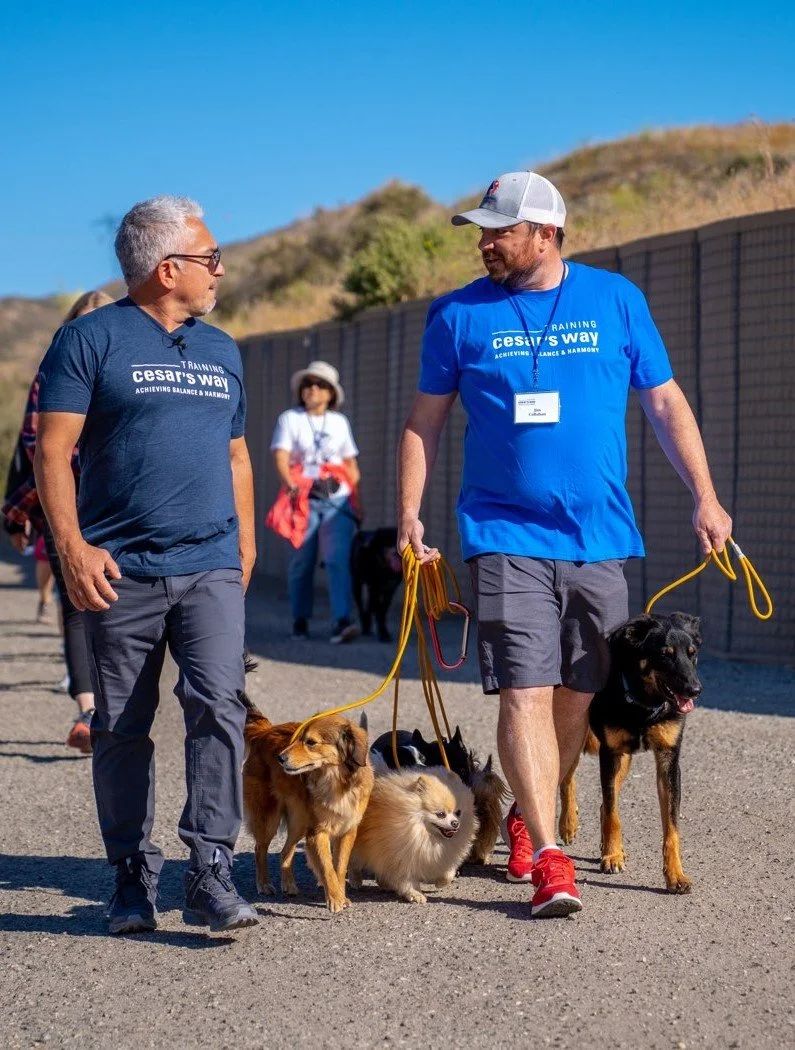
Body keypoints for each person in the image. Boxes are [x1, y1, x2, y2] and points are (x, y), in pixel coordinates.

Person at [397, 171, 732, 919]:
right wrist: (410, 513)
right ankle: (550, 855)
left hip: (598, 538)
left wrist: (704, 496)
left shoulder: (616, 300)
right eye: (480, 231)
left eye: (498, 230)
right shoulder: (456, 316)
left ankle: (524, 807)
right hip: (501, 532)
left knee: (576, 696)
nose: (483, 242)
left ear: (545, 232)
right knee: (523, 687)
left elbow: (664, 401)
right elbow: (423, 422)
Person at [34, 196, 258, 935]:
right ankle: (130, 872)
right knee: (123, 727)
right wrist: (71, 547)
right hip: (119, 569)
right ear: (169, 269)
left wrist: (246, 544)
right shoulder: (89, 340)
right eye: (209, 257)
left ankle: (211, 869)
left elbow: (235, 453)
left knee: (219, 704)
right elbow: (52, 451)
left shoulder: (222, 347)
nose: (219, 270)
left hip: (210, 562)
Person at [2, 290, 112, 752]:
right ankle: (88, 709)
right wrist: (17, 508)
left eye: (97, 320)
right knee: (74, 602)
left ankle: (116, 705)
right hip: (60, 496)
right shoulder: (52, 370)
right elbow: (31, 444)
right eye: (80, 322)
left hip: (113, 498)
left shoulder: (125, 364)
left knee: (116, 601)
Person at [270, 360, 361, 643]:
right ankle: (300, 619)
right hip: (304, 498)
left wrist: (358, 501)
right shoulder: (290, 418)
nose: (312, 388)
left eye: (320, 385)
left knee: (337, 560)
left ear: (331, 393)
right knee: (302, 561)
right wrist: (291, 483)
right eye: (308, 384)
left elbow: (350, 464)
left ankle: (341, 620)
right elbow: (281, 455)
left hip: (337, 498)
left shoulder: (339, 422)